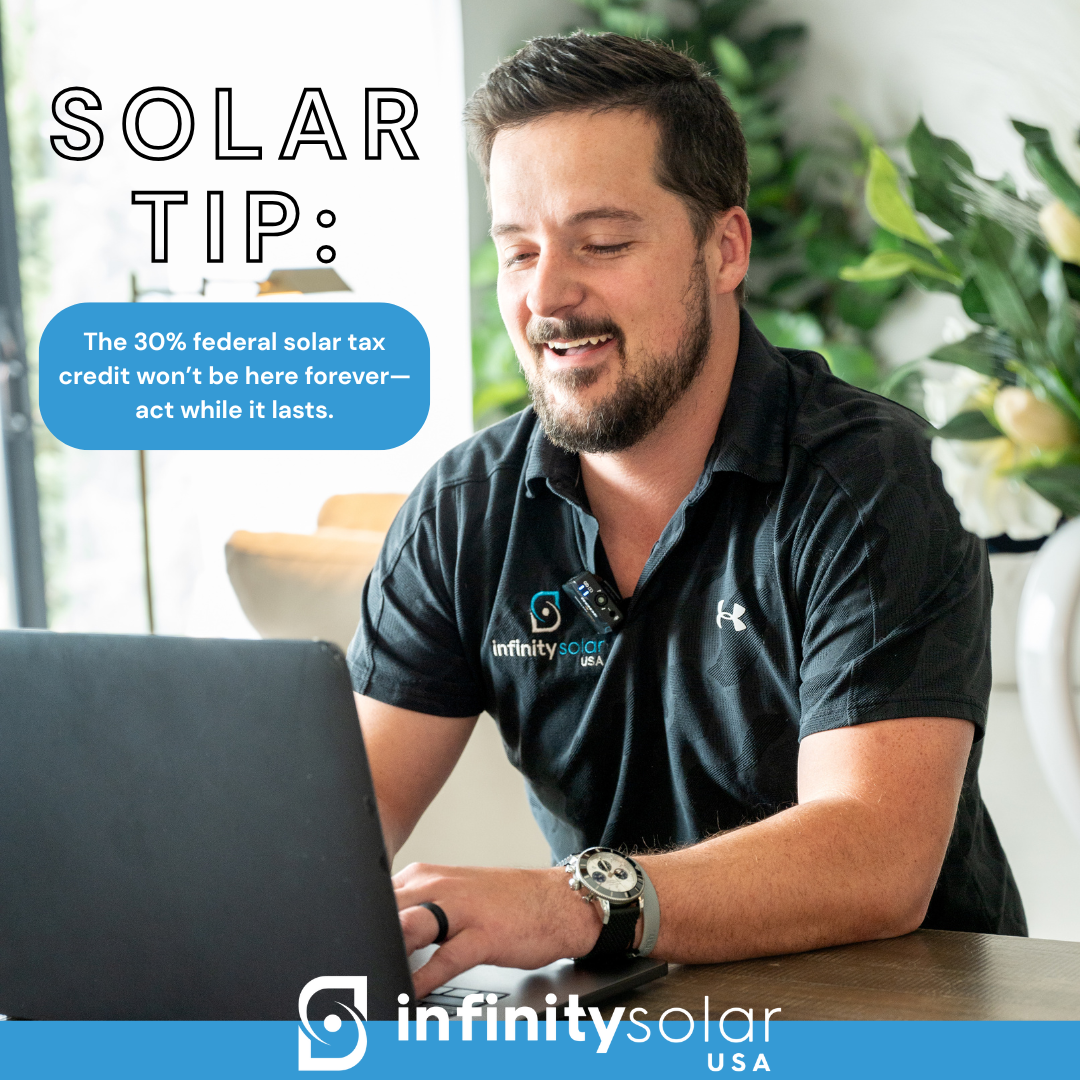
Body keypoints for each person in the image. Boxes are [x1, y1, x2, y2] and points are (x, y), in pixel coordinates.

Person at [347, 32, 1025, 999]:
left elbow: (875, 854)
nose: (547, 295)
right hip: (630, 1022)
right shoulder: (464, 513)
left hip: (897, 1024)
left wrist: (570, 904)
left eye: (603, 244)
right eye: (519, 251)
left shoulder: (876, 482)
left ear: (725, 250)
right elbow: (329, 834)